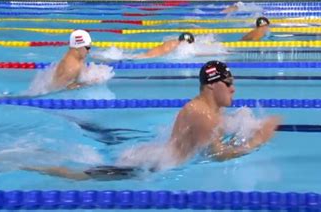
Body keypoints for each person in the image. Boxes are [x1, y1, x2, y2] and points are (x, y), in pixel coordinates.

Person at [23, 60, 281, 180]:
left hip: (154, 154)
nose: (234, 89)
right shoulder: (203, 116)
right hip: (155, 166)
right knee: (83, 175)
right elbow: (218, 155)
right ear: (213, 86)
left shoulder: (207, 109)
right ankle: (28, 163)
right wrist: (257, 140)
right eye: (229, 83)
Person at [0, 29, 93, 98]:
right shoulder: (71, 67)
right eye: (88, 47)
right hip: (37, 96)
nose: (89, 51)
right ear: (78, 46)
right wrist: (82, 84)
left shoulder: (75, 59)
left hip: (38, 91)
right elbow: (56, 90)